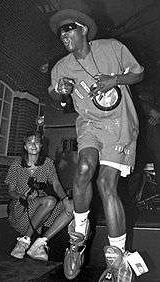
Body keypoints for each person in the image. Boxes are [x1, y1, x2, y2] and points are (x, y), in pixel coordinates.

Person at [48, 0, 146, 280]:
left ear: (83, 30)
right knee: (82, 169)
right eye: (60, 33)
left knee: (106, 184)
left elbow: (139, 73)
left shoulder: (112, 48)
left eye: (68, 30)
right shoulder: (61, 67)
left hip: (119, 126)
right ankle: (78, 239)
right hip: (89, 124)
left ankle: (118, 259)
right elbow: (57, 99)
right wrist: (60, 92)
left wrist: (115, 80)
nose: (64, 36)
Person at [5, 130, 73, 261]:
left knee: (73, 205)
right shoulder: (16, 164)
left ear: (41, 146)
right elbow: (11, 191)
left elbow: (56, 184)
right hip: (22, 210)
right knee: (50, 201)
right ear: (25, 146)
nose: (33, 145)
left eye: (36, 142)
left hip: (43, 212)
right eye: (29, 142)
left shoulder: (48, 163)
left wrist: (65, 200)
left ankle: (39, 244)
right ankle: (23, 242)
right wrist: (22, 196)